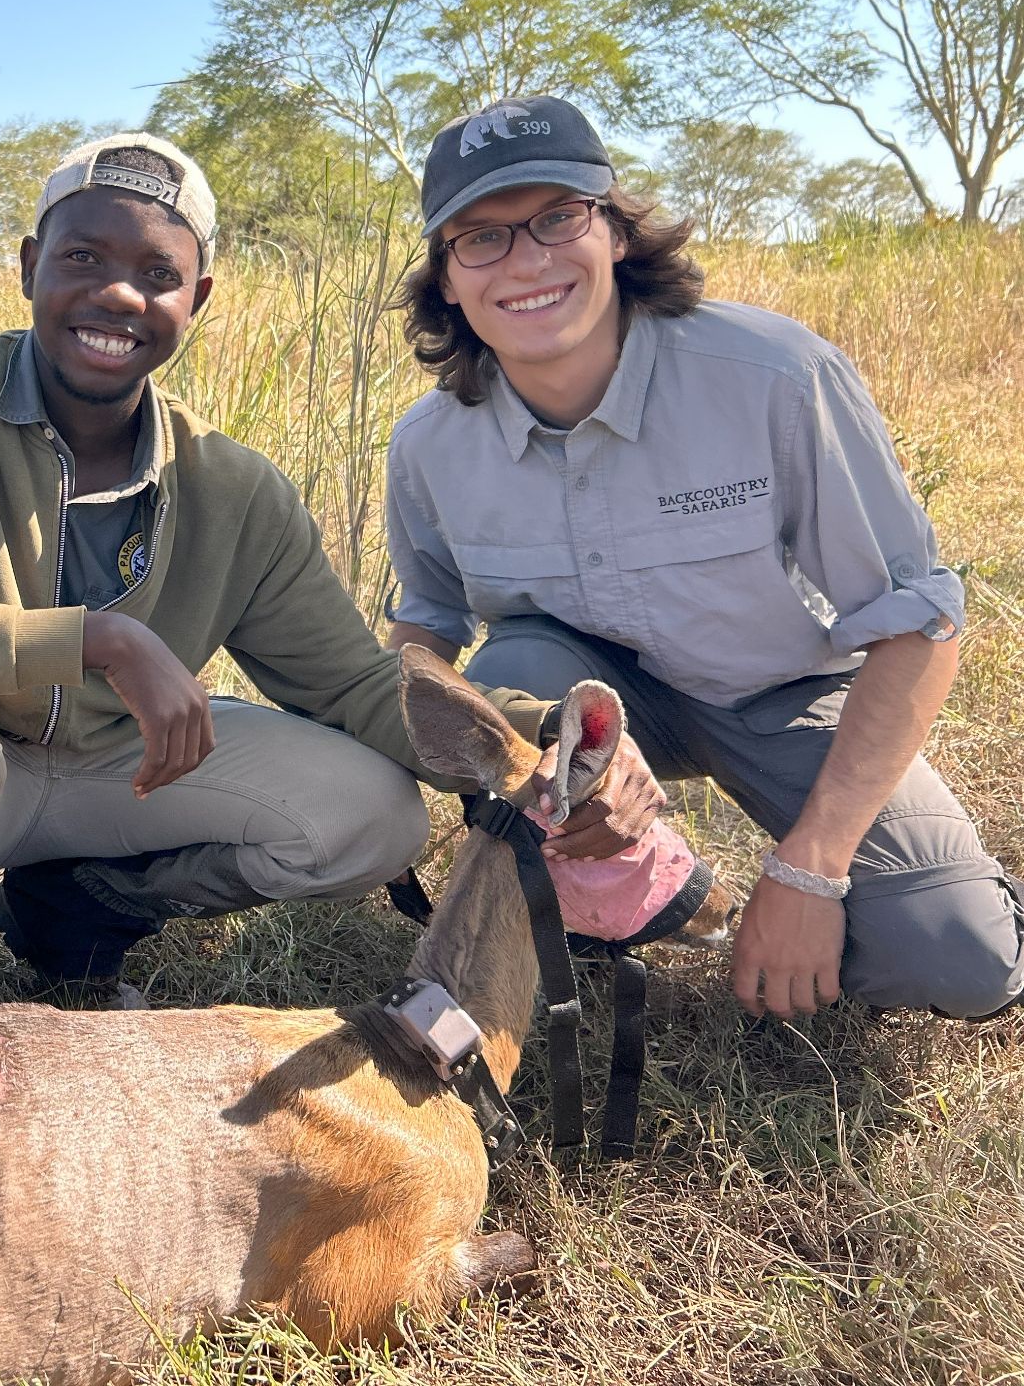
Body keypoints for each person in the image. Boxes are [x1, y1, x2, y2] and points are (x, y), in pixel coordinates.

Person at [0, 132, 662, 1022]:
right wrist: (98, 640)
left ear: (196, 298)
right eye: (82, 257)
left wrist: (540, 736)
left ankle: (86, 903)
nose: (118, 294)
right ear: (28, 266)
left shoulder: (231, 486)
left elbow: (354, 685)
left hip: (121, 774)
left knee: (375, 816)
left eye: (158, 275)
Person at [384, 94, 1023, 1024]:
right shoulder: (430, 443)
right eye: (480, 237)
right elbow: (426, 632)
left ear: (614, 231)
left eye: (558, 218)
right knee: (513, 665)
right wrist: (496, 759)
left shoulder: (777, 376)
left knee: (958, 959)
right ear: (445, 277)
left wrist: (812, 869)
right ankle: (595, 895)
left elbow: (918, 622)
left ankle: (864, 903)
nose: (525, 261)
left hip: (783, 696)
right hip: (591, 708)